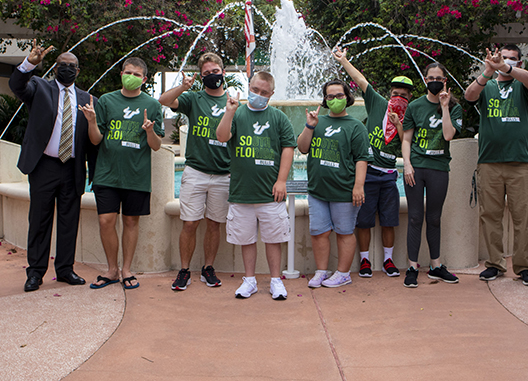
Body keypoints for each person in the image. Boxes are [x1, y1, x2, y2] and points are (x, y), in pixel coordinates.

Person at [9, 42, 97, 292]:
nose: (67, 70)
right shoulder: (39, 87)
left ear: (78, 71)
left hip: (73, 167)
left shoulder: (89, 99)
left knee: (70, 221)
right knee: (39, 220)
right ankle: (35, 273)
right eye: (62, 66)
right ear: (55, 68)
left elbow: (93, 137)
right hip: (44, 166)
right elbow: (16, 85)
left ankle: (65, 269)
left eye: (72, 66)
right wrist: (30, 63)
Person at [80, 57, 163, 290]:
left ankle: (126, 269)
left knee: (130, 221)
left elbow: (156, 145)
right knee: (106, 220)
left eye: (137, 75)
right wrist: (92, 121)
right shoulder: (106, 101)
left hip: (136, 175)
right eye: (128, 72)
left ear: (144, 79)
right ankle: (111, 270)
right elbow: (96, 139)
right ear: (120, 73)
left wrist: (149, 132)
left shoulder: (152, 105)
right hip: (107, 174)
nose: (132, 77)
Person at [333, 47, 413, 278]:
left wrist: (399, 124)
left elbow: (406, 142)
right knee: (364, 221)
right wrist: (344, 60)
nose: (400, 98)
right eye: (396, 93)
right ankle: (365, 260)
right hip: (367, 174)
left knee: (389, 221)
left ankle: (388, 260)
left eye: (405, 95)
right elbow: (360, 80)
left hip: (389, 176)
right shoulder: (378, 104)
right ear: (389, 94)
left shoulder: (410, 115)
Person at [216, 71, 296, 300]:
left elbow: (288, 149)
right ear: (249, 87)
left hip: (271, 194)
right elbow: (222, 137)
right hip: (242, 193)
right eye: (255, 90)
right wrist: (229, 112)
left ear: (271, 94)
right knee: (246, 240)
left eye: (263, 92)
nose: (258, 95)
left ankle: (275, 281)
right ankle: (249, 280)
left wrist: (282, 180)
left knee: (273, 239)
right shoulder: (236, 113)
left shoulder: (279, 118)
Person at [464, 45, 528, 286]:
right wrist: (488, 71)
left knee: (524, 218)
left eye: (512, 59)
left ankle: (524, 267)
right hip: (489, 163)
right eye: (504, 58)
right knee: (490, 216)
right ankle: (495, 264)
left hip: (520, 164)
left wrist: (505, 67)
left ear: (518, 61)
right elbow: (469, 95)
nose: (507, 62)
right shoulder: (488, 85)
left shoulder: (522, 85)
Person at [159, 53, 230, 291]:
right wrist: (183, 86)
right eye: (207, 73)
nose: (212, 76)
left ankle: (208, 268)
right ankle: (184, 270)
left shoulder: (233, 102)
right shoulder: (194, 99)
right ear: (201, 77)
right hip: (195, 171)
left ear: (223, 72)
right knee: (189, 223)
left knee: (214, 223)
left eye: (215, 71)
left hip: (223, 174)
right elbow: (164, 100)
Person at [297, 79, 372, 288]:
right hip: (318, 191)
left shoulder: (356, 127)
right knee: (319, 232)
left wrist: (358, 186)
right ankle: (321, 271)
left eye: (339, 95)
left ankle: (343, 273)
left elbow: (361, 159)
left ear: (347, 97)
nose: (335, 99)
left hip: (344, 191)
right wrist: (309, 126)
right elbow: (302, 148)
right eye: (330, 96)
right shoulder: (317, 122)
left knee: (344, 232)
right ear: (325, 100)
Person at [401, 63, 463, 288]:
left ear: (445, 80)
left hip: (439, 168)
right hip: (416, 168)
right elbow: (406, 139)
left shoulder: (454, 107)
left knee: (434, 217)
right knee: (416, 217)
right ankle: (412, 267)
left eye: (439, 77)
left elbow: (448, 136)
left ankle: (435, 266)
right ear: (425, 80)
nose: (434, 81)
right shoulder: (415, 106)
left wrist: (445, 107)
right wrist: (407, 165)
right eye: (430, 78)